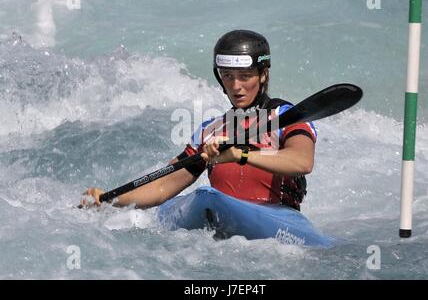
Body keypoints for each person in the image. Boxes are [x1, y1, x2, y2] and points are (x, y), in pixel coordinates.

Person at [81, 29, 317, 211]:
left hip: (277, 221)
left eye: (245, 76)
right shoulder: (210, 131)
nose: (236, 86)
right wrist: (109, 200)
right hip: (225, 224)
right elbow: (162, 186)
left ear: (263, 74)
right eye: (227, 76)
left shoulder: (286, 117)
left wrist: (241, 155)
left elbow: (302, 161)